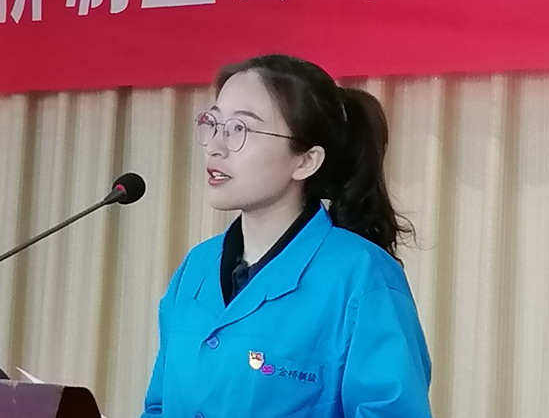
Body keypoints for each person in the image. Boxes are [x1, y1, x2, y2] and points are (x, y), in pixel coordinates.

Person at [141, 55, 432, 417]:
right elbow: (159, 406)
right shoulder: (196, 268)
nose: (215, 146)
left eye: (240, 129)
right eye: (213, 124)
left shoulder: (361, 275)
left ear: (306, 160)